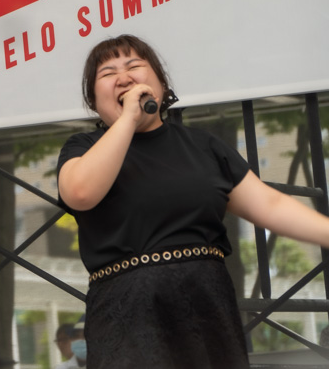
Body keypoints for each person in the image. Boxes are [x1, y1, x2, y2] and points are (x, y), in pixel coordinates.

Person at [56, 35, 329, 368]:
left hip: (207, 305)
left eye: (134, 66)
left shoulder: (203, 146)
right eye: (108, 73)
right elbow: (80, 193)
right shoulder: (83, 147)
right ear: (93, 100)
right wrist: (128, 118)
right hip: (129, 314)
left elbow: (269, 205)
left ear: (160, 83)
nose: (124, 78)